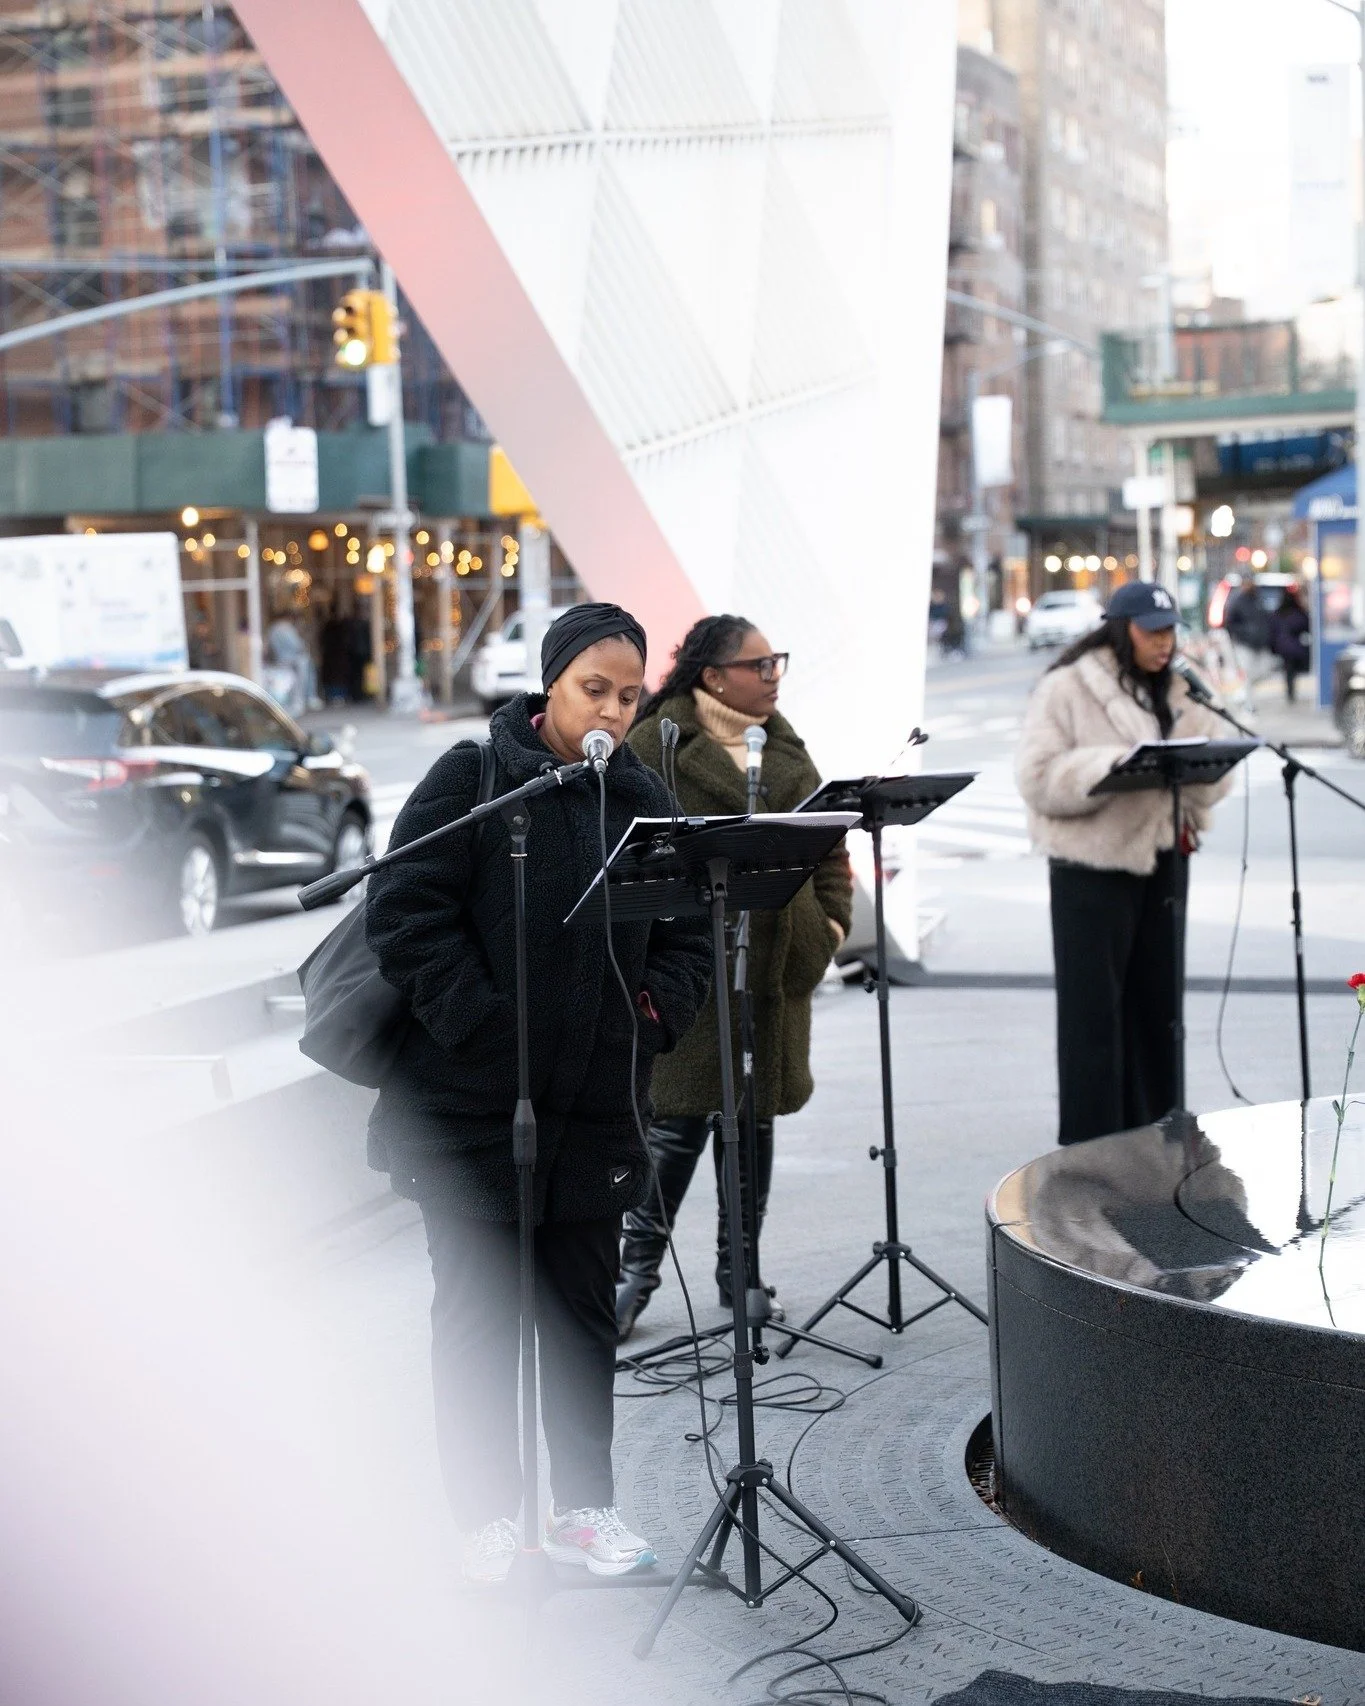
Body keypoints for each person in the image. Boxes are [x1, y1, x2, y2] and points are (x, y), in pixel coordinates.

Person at [364, 603, 712, 1585]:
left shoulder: (645, 796)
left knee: (578, 1317)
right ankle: (483, 1514)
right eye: (592, 688)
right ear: (550, 683)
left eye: (628, 692)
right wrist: (478, 1020)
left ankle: (583, 1508)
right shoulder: (473, 780)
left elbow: (688, 932)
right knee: (478, 1319)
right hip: (471, 1113)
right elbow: (402, 912)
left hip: (597, 1108)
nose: (610, 707)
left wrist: (651, 1017)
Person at [616, 615, 853, 1338]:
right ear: (713, 675)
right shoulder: (653, 744)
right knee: (677, 1126)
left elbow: (831, 852)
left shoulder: (782, 748)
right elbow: (628, 854)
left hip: (773, 968)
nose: (773, 674)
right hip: (689, 973)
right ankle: (633, 1277)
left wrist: (830, 929)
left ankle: (740, 1272)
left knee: (750, 1122)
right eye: (760, 664)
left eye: (776, 661)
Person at [1015, 581, 1233, 1147]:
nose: (1164, 644)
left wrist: (1203, 765)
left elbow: (1215, 762)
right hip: (1090, 870)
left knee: (1159, 1010)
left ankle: (1156, 1137)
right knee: (1093, 1020)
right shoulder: (1066, 688)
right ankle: (1091, 1152)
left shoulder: (1182, 690)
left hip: (1163, 859)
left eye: (1170, 632)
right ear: (1121, 629)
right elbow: (1036, 778)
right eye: (1151, 632)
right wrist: (1115, 765)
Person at [1223, 577, 1270, 696]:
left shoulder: (1257, 599)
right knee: (1247, 674)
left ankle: (1246, 696)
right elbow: (1229, 623)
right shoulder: (1237, 601)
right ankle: (1248, 703)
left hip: (1259, 643)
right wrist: (1243, 633)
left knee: (1263, 671)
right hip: (1244, 643)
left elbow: (1265, 619)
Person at [1268, 584, 1311, 703]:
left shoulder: (1278, 613)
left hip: (1283, 646)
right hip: (1295, 646)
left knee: (1289, 669)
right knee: (1292, 669)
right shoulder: (1298, 613)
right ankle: (1291, 691)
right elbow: (1307, 625)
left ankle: (1290, 691)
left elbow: (1272, 631)